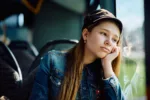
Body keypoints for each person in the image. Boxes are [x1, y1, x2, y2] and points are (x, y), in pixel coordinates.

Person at [29, 9, 125, 100]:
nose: (109, 42)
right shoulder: (52, 61)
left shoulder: (105, 73)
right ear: (85, 34)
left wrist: (107, 65)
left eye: (114, 39)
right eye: (104, 33)